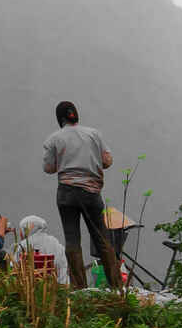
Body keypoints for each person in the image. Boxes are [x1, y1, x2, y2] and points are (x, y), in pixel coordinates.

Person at [40, 101, 123, 293]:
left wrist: (65, 161)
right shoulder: (94, 134)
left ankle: (79, 288)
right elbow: (107, 161)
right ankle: (117, 287)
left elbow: (49, 168)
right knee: (102, 238)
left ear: (59, 119)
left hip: (66, 193)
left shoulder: (53, 139)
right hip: (91, 193)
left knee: (72, 240)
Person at [18, 213, 69, 284]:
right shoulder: (54, 241)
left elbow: (15, 266)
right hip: (57, 283)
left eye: (21, 230)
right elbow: (63, 263)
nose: (20, 234)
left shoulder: (24, 244)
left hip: (31, 285)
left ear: (26, 229)